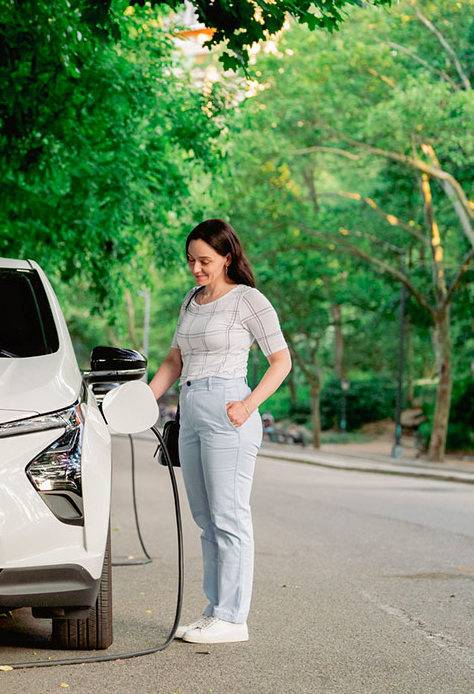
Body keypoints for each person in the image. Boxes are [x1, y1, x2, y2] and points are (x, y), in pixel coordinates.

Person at [148, 218, 291, 644]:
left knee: (229, 517)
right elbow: (174, 362)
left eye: (205, 260)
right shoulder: (190, 301)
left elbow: (280, 361)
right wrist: (140, 401)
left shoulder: (249, 300)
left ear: (228, 258)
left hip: (230, 410)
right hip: (189, 411)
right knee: (205, 519)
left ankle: (234, 617)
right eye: (190, 260)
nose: (196, 268)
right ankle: (214, 612)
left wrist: (249, 405)